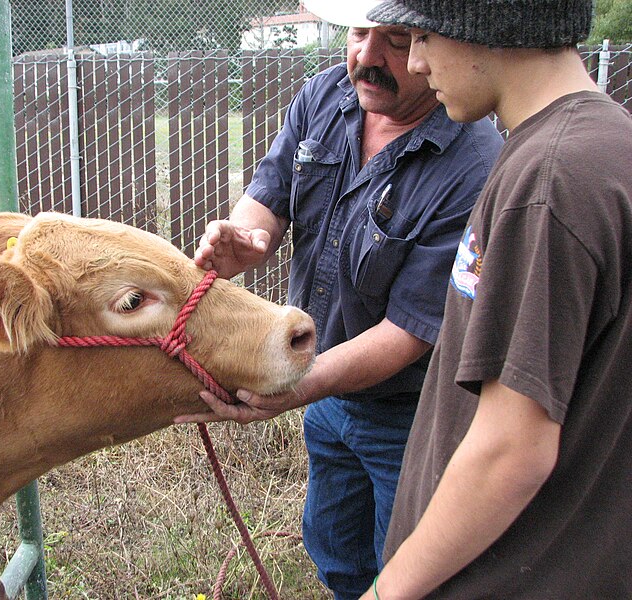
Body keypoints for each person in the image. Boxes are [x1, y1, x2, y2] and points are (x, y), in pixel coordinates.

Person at [176, 2, 503, 598]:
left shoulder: (473, 163)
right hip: (326, 382)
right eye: (357, 34)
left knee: (407, 566)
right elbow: (269, 191)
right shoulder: (325, 94)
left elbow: (411, 329)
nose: (366, 58)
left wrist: (296, 387)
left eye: (397, 41)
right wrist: (248, 238)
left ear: (437, 43)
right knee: (333, 546)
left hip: (409, 412)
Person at [352, 0, 632, 598]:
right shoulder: (604, 143)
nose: (418, 64)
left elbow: (513, 448)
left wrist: (386, 592)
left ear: (486, 26)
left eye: (421, 35)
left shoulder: (550, 180)